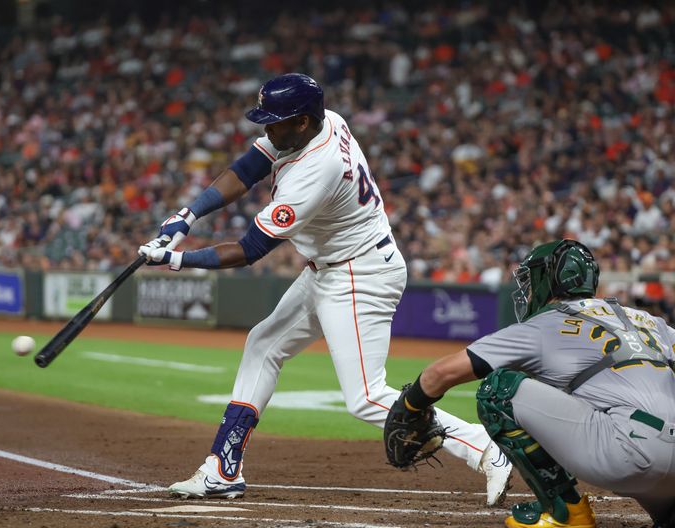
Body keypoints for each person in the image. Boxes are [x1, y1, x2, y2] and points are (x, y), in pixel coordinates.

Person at [138, 73, 512, 504]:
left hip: (359, 274)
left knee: (366, 397)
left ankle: (484, 447)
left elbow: (250, 249)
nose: (267, 129)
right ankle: (223, 469)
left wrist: (176, 259)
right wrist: (187, 215)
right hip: (330, 268)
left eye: (275, 121)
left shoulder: (317, 170)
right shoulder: (323, 120)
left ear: (301, 121)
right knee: (262, 345)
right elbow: (248, 168)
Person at [388, 239, 675, 528]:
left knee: (498, 389)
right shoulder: (647, 321)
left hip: (625, 458)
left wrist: (410, 406)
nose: (526, 290)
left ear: (548, 279)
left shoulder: (546, 324)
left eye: (531, 280)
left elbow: (440, 374)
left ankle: (566, 514)